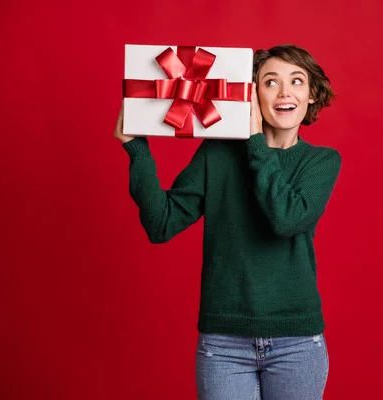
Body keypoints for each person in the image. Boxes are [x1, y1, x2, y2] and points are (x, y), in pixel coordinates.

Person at [114, 44, 341, 400]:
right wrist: (137, 149)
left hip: (296, 344)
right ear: (251, 94)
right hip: (223, 344)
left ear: (311, 95)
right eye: (270, 82)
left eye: (297, 81)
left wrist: (253, 141)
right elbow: (161, 224)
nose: (285, 92)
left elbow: (286, 218)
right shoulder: (218, 152)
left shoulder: (322, 161)